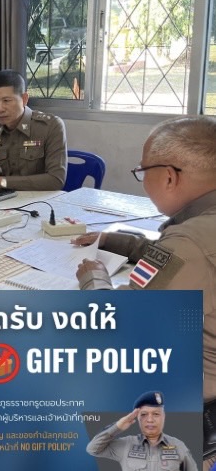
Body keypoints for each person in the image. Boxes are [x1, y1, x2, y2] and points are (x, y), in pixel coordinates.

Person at [75, 117, 216, 464]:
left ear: (169, 176)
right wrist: (117, 242)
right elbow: (179, 256)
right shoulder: (200, 228)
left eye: (142, 171)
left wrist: (94, 279)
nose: (143, 181)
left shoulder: (188, 243)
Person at [0, 69, 67, 191]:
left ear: (24, 99)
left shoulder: (50, 126)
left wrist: (0, 181)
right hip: (5, 198)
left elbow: (56, 180)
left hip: (41, 198)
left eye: (6, 101)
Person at [86, 391, 196, 470]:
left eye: (156, 414)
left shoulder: (178, 445)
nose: (150, 419)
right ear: (138, 418)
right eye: (144, 414)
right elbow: (93, 449)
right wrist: (117, 426)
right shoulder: (127, 444)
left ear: (164, 416)